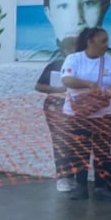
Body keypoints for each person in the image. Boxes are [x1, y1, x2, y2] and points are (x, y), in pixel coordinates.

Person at [60, 26, 111, 200]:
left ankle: (101, 187)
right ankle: (80, 186)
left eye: (107, 41)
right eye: (103, 41)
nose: (106, 45)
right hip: (77, 114)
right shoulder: (74, 59)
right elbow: (67, 80)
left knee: (102, 151)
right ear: (90, 41)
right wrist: (89, 86)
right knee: (79, 150)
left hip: (103, 115)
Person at [35, 35, 80, 193]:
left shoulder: (83, 65)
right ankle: (63, 176)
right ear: (65, 50)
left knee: (78, 142)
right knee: (61, 141)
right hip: (57, 108)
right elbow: (39, 86)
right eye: (73, 48)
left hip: (78, 108)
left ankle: (78, 176)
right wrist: (59, 90)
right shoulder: (55, 65)